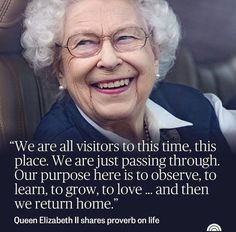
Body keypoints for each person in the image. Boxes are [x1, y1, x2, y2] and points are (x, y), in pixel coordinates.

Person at [21, 0, 235, 153]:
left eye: (125, 37)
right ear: (60, 70)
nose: (110, 59)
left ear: (155, 52)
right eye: (84, 42)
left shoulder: (197, 107)